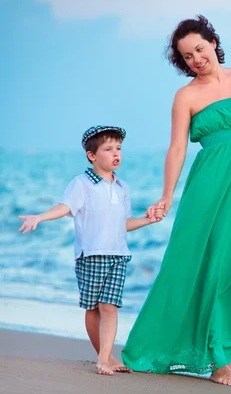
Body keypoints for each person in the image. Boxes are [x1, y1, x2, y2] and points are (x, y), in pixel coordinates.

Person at [121, 14, 231, 387]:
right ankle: (216, 361)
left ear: (212, 42)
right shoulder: (186, 96)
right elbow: (177, 150)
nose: (196, 58)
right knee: (189, 262)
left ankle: (221, 349)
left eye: (199, 48)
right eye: (186, 56)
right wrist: (166, 195)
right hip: (206, 186)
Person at [17, 125, 164, 375]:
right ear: (91, 155)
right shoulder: (82, 184)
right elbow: (64, 207)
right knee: (93, 307)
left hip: (118, 255)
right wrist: (39, 217)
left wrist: (148, 220)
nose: (116, 153)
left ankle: (106, 357)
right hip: (91, 254)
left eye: (118, 148)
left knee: (110, 306)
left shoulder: (122, 187)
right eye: (108, 149)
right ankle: (103, 356)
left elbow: (124, 224)